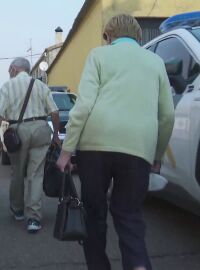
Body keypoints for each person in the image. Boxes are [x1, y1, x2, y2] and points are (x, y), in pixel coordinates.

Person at [56, 14, 175, 270]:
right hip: (137, 148)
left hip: (95, 147)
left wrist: (67, 150)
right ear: (138, 37)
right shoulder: (155, 62)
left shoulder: (99, 56)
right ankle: (139, 265)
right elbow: (167, 115)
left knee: (95, 214)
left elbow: (84, 105)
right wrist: (156, 154)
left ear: (108, 36)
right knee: (129, 215)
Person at [0, 57, 60, 233]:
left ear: (14, 69)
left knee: (17, 172)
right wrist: (56, 136)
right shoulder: (41, 86)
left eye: (9, 70)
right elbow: (54, 112)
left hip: (18, 131)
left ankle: (18, 210)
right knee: (36, 174)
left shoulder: (8, 86)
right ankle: (34, 219)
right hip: (41, 129)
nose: (9, 73)